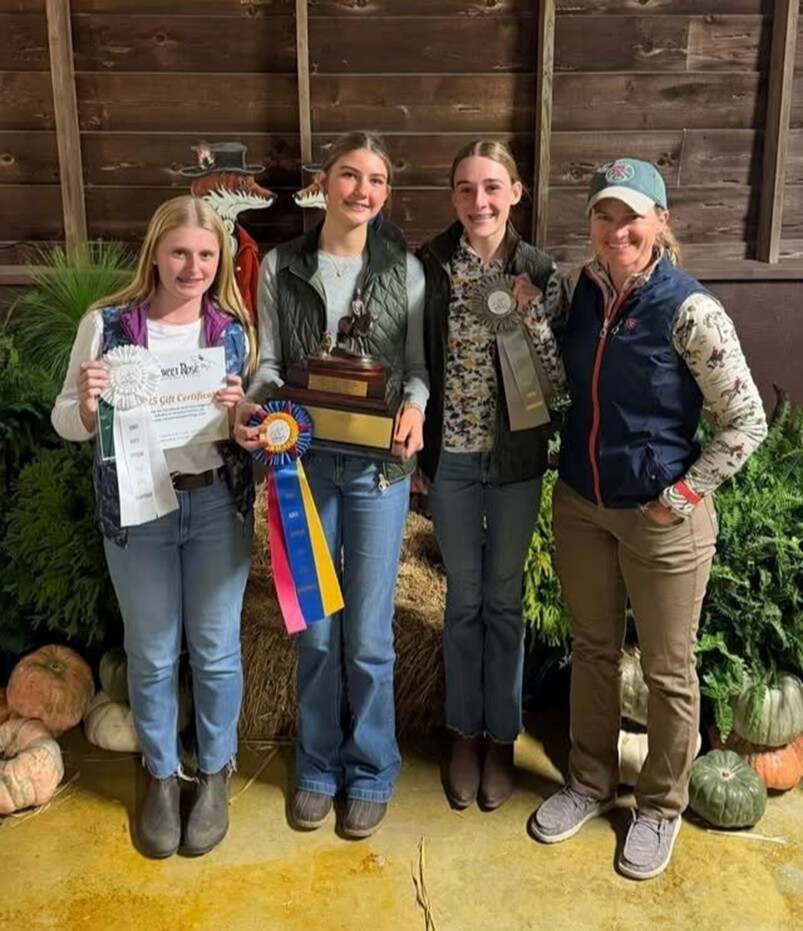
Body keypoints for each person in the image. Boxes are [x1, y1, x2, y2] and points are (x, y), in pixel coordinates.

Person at [527, 158, 768, 879]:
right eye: (603, 215)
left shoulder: (689, 310)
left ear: (661, 221)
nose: (615, 229)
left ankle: (659, 806)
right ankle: (587, 783)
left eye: (631, 215)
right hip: (581, 503)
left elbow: (745, 421)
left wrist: (684, 494)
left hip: (662, 516)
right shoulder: (582, 289)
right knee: (594, 650)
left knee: (667, 669)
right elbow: (565, 381)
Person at [234, 131, 429, 838]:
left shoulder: (403, 270)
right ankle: (316, 765)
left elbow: (415, 367)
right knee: (314, 626)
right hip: (305, 464)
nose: (361, 191)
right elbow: (269, 362)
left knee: (371, 634)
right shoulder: (284, 265)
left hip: (378, 468)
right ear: (325, 181)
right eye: (349, 175)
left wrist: (415, 403)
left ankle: (371, 767)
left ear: (385, 194)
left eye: (375, 180)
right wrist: (265, 410)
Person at [52, 195, 256, 859]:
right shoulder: (106, 325)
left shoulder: (231, 331)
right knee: (153, 650)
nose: (192, 266)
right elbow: (64, 421)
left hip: (213, 505)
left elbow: (248, 432)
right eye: (179, 253)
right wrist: (84, 404)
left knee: (217, 647)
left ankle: (217, 771)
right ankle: (163, 775)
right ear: (156, 254)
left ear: (219, 258)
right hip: (137, 509)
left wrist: (240, 417)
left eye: (205, 254)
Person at [416, 141, 564, 810]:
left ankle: (500, 734)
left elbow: (554, 380)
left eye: (492, 187)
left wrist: (528, 312)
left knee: (502, 601)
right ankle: (461, 734)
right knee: (463, 601)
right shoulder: (429, 266)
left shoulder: (538, 272)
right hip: (450, 461)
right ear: (452, 197)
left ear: (516, 192)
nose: (479, 201)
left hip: (513, 464)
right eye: (465, 188)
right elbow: (415, 359)